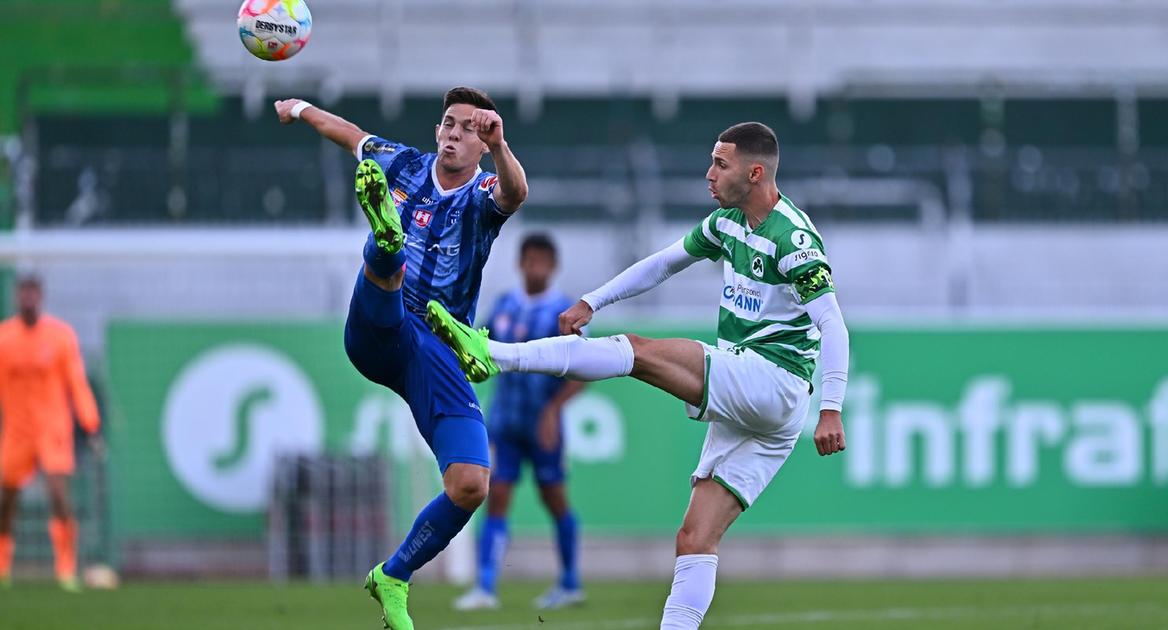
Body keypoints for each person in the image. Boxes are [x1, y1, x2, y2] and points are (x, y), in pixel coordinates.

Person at [427, 122, 849, 630]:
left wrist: (832, 408)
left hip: (774, 381)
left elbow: (832, 322)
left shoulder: (794, 237)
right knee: (695, 539)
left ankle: (496, 354)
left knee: (637, 352)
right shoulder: (728, 222)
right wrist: (593, 300)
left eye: (721, 164)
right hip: (762, 403)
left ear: (755, 172)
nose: (709, 174)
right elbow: (663, 264)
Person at [275, 86, 527, 630]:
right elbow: (348, 134)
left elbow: (516, 192)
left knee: (470, 483)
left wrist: (502, 146)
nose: (454, 134)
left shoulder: (485, 190)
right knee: (390, 259)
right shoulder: (405, 163)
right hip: (377, 329)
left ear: (481, 143)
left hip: (434, 348)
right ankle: (384, 240)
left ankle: (392, 575)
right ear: (437, 130)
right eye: (447, 124)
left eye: (467, 128)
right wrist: (298, 109)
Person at [453, 233, 586, 612]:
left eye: (543, 260)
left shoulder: (563, 312)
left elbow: (581, 371)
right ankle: (485, 587)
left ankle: (570, 582)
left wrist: (553, 411)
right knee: (496, 497)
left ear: (553, 266)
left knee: (555, 499)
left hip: (543, 427)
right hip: (505, 423)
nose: (536, 266)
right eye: (531, 259)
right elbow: (478, 349)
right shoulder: (504, 306)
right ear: (521, 263)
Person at [0, 274, 102, 592]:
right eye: (23, 293)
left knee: (58, 493)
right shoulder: (4, 338)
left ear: (41, 297)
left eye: (33, 293)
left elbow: (76, 383)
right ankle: (2, 565)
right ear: (17, 297)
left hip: (52, 427)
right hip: (17, 429)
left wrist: (90, 424)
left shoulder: (60, 337)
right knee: (6, 500)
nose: (28, 299)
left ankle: (66, 567)